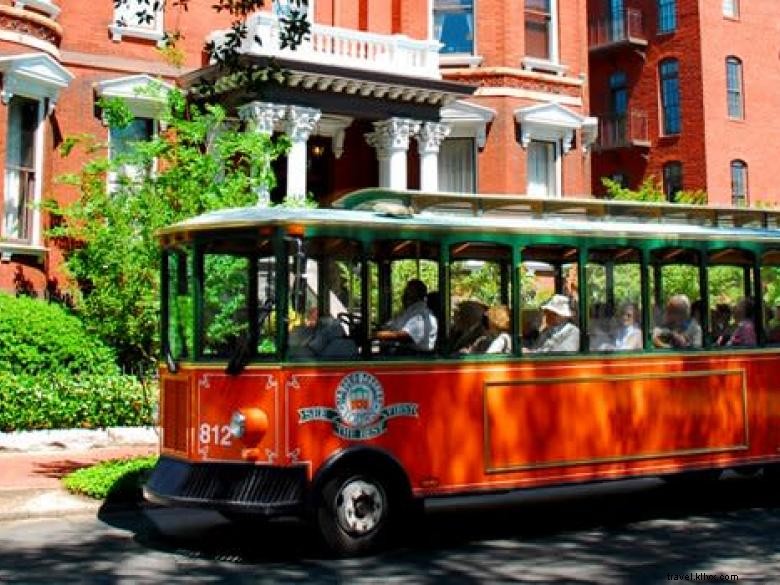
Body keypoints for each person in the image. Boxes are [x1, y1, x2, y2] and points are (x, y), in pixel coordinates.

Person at [376, 279, 438, 354]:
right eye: (406, 291)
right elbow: (390, 326)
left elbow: (407, 336)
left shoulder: (421, 313)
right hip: (402, 352)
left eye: (409, 291)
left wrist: (377, 335)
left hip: (415, 356)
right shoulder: (407, 311)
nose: (405, 295)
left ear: (418, 294)